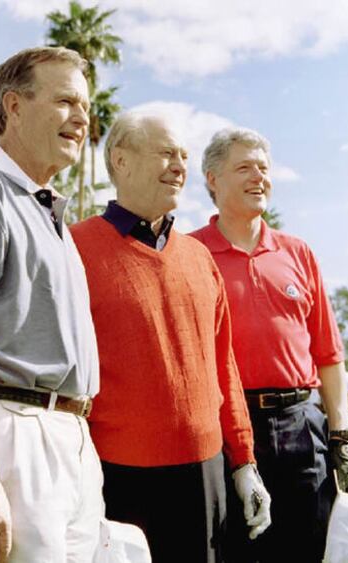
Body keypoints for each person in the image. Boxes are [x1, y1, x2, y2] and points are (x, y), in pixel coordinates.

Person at [70, 112, 271, 563]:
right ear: (120, 160)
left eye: (182, 155)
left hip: (205, 477)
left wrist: (244, 464)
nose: (179, 165)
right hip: (113, 478)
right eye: (165, 153)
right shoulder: (73, 248)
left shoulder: (199, 257)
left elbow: (224, 366)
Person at [0, 47, 104, 563]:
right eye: (65, 102)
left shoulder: (51, 214)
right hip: (11, 439)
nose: (82, 119)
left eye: (85, 106)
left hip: (72, 440)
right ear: (13, 106)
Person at [190, 127, 348, 563]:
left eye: (263, 168)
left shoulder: (297, 252)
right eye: (244, 167)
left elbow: (329, 354)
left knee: (308, 548)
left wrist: (341, 436)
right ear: (212, 179)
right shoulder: (190, 254)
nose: (258, 177)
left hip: (303, 428)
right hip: (229, 432)